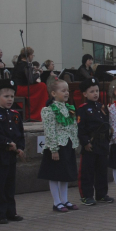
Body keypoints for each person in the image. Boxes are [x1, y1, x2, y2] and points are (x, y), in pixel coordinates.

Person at [0, 79, 25, 224]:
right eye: (6, 96)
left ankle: (11, 212)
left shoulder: (15, 114)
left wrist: (20, 147)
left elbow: (20, 133)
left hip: (11, 156)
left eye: (12, 97)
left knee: (10, 185)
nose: (10, 99)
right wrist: (7, 143)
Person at [39, 78, 79, 213]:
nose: (66, 93)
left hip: (67, 144)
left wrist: (74, 142)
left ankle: (65, 199)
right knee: (55, 175)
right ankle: (56, 202)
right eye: (63, 90)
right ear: (53, 94)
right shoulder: (49, 110)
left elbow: (73, 127)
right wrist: (53, 149)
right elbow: (50, 131)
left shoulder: (69, 108)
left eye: (67, 90)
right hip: (56, 146)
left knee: (65, 174)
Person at [77, 77, 114, 206]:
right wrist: (85, 142)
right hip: (91, 144)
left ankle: (102, 194)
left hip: (102, 143)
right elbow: (81, 128)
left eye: (97, 91)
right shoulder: (83, 108)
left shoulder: (101, 107)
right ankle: (86, 195)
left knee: (102, 171)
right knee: (87, 171)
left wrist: (108, 138)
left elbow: (106, 124)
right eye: (92, 91)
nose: (95, 94)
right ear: (85, 94)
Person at [13, 47, 50, 122]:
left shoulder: (19, 64)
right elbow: (31, 80)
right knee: (42, 86)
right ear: (29, 55)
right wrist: (38, 73)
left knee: (41, 86)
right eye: (32, 55)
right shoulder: (26, 65)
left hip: (17, 88)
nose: (33, 56)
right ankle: (36, 114)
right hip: (22, 89)